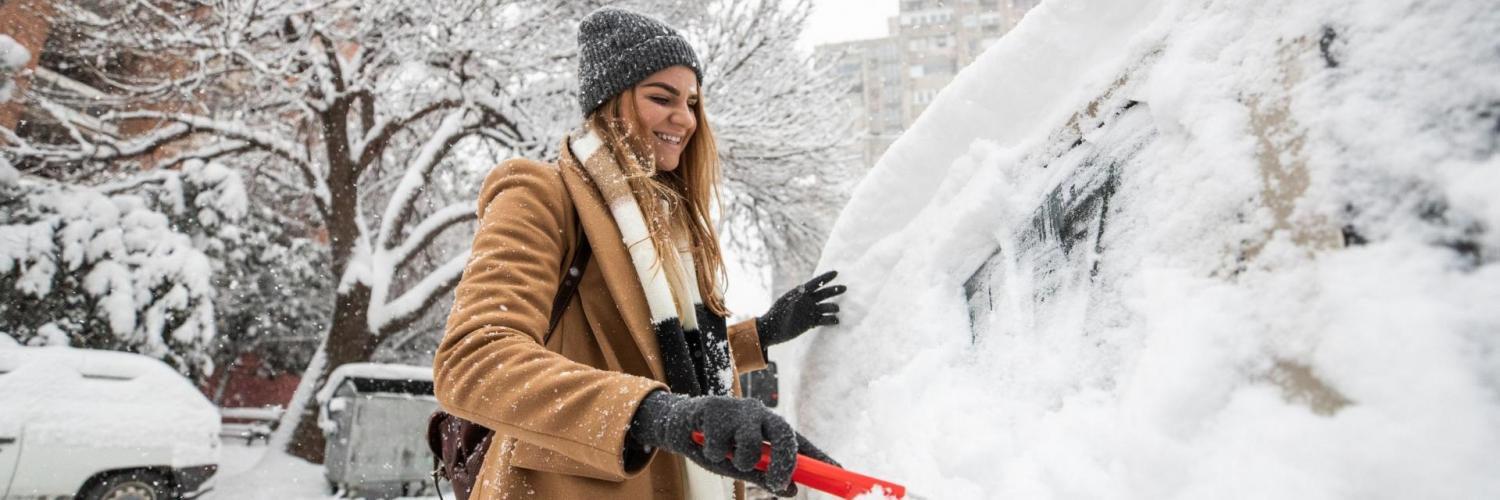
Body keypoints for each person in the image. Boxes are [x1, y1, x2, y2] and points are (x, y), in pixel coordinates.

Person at [433, 6, 848, 500]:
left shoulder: (670, 227)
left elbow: (655, 357)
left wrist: (761, 334)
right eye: (662, 97)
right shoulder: (541, 194)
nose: (685, 119)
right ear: (610, 103)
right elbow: (475, 359)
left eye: (693, 102)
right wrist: (658, 416)